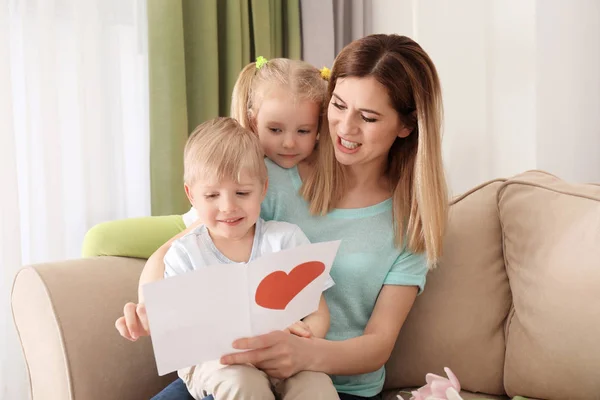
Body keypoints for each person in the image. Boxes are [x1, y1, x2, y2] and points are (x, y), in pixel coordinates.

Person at [113, 33, 448, 400]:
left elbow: (377, 345)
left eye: (367, 117)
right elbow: (175, 254)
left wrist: (304, 353)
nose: (344, 127)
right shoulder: (270, 178)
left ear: (406, 126)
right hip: (237, 367)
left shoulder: (410, 221)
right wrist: (148, 310)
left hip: (332, 384)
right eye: (337, 106)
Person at [153, 116, 336, 400]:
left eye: (242, 193)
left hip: (282, 357)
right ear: (191, 195)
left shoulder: (285, 239)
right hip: (215, 361)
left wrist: (302, 337)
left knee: (316, 386)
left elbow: (318, 312)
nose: (228, 207)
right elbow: (179, 331)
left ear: (262, 190)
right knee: (241, 382)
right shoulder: (184, 255)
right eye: (212, 195)